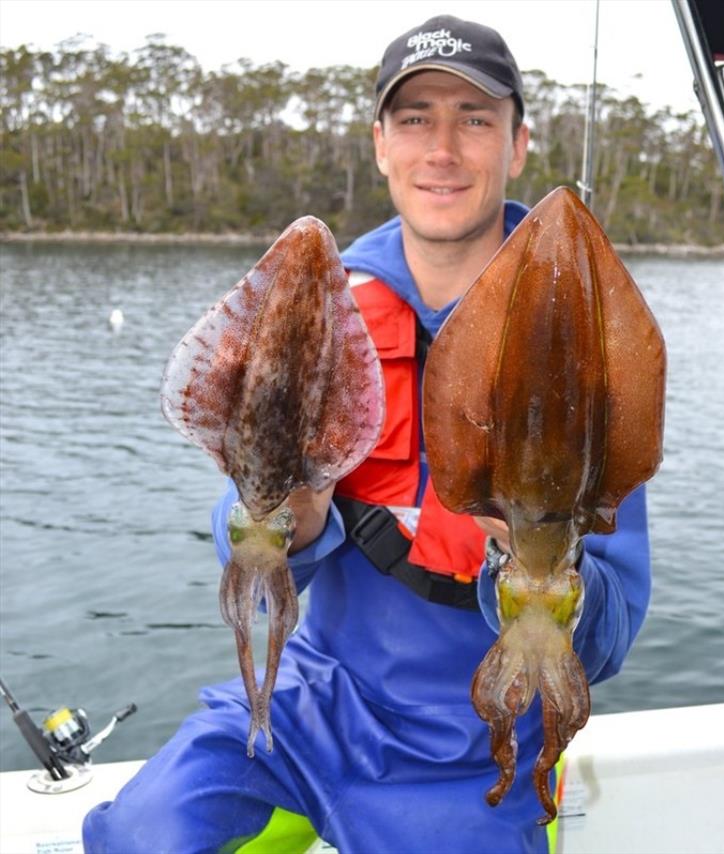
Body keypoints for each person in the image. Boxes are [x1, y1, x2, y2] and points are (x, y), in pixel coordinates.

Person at [83, 15, 651, 854]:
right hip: (313, 700)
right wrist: (289, 519)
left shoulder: (578, 344)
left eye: (476, 118)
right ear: (381, 144)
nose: (443, 148)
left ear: (519, 142)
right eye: (416, 118)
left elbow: (609, 632)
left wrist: (547, 567)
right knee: (139, 834)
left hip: (471, 741)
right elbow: (244, 534)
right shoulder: (326, 308)